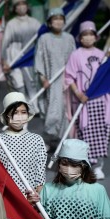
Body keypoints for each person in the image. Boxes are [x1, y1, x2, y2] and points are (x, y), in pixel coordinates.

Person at [27, 139, 110, 219]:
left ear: (84, 166)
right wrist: (31, 205)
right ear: (59, 164)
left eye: (75, 165)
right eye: (65, 164)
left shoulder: (97, 190)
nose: (69, 169)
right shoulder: (48, 189)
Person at [65, 21, 110, 180]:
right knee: (85, 132)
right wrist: (78, 94)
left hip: (100, 101)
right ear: (81, 38)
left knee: (102, 133)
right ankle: (87, 164)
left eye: (91, 34)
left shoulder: (102, 55)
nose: (88, 37)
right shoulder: (75, 55)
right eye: (85, 34)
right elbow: (69, 77)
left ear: (96, 37)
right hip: (83, 102)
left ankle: (99, 166)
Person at [0, 92, 47, 194]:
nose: (19, 116)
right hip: (6, 197)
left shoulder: (37, 140)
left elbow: (40, 172)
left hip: (31, 197)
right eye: (15, 113)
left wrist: (38, 194)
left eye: (23, 112)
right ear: (7, 116)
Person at [34, 7, 76, 149]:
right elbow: (38, 60)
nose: (58, 21)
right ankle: (47, 139)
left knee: (65, 111)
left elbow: (75, 59)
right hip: (50, 82)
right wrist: (43, 78)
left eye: (60, 18)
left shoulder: (69, 38)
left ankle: (61, 140)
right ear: (50, 22)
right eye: (55, 19)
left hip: (67, 81)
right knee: (51, 111)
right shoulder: (44, 39)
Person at [1, 0, 41, 112]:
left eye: (23, 3)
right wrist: (4, 60)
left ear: (27, 6)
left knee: (31, 82)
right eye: (18, 4)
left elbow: (41, 40)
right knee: (18, 83)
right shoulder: (11, 24)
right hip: (14, 55)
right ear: (14, 8)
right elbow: (5, 42)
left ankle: (33, 107)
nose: (21, 6)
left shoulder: (35, 22)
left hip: (29, 57)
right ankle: (21, 106)